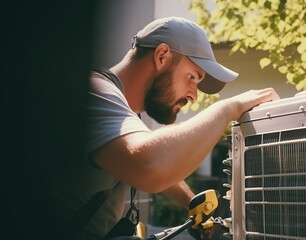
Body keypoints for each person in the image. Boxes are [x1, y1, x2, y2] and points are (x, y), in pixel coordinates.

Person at [52, 16, 279, 240]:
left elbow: (154, 156)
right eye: (192, 77)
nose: (193, 95)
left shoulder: (125, 112)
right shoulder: (94, 95)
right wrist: (228, 109)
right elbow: (149, 163)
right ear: (161, 56)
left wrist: (191, 203)